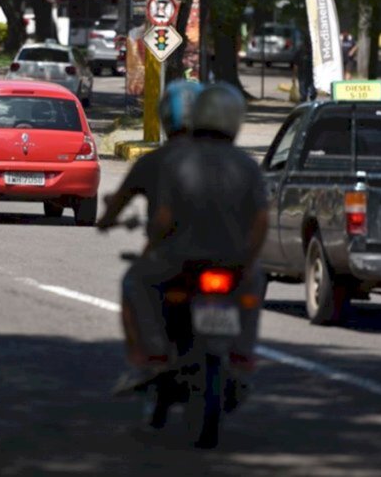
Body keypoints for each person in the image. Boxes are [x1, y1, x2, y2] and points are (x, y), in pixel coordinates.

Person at [110, 83, 269, 406]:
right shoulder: (247, 164)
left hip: (179, 261)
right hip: (231, 263)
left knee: (135, 281)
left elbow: (165, 217)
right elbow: (261, 221)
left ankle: (152, 354)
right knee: (254, 284)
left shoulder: (176, 162)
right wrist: (247, 259)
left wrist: (155, 241)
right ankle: (241, 354)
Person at [96, 80, 202, 384]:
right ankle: (241, 355)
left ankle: (147, 359)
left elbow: (119, 203)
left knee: (133, 283)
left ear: (166, 117)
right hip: (227, 254)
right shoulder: (226, 159)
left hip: (172, 254)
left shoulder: (156, 161)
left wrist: (106, 221)